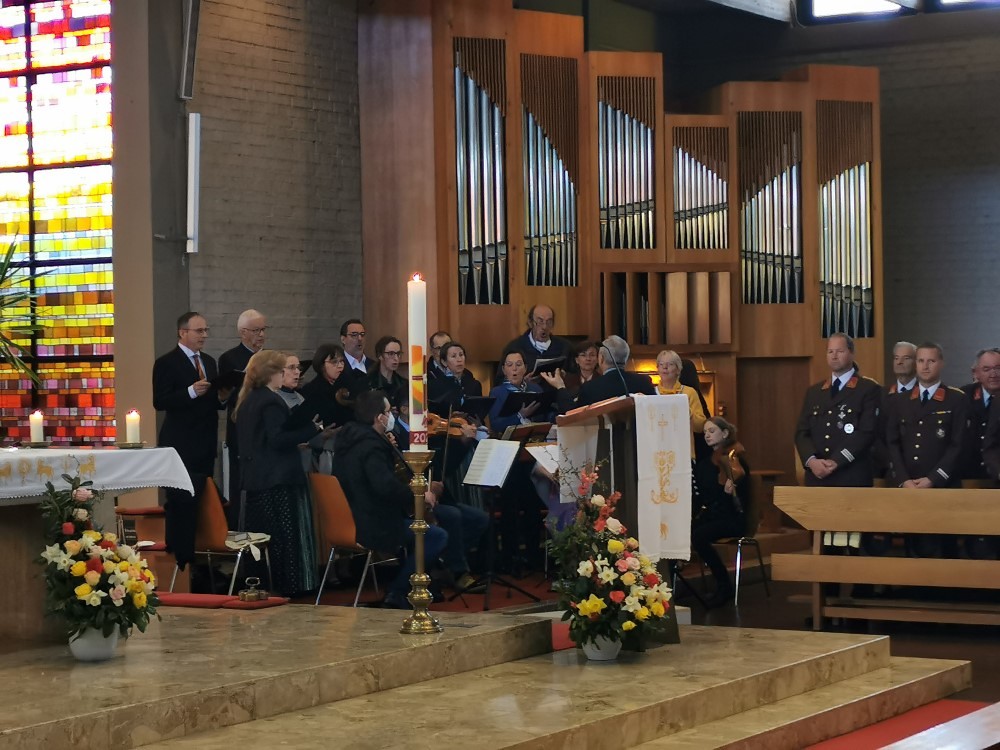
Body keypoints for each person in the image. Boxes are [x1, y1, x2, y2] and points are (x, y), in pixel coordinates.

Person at [332, 390, 449, 609]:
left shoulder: (350, 439)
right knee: (435, 536)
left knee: (426, 528)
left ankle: (424, 586)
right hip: (372, 522)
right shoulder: (370, 446)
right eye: (389, 412)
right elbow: (384, 486)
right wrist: (418, 494)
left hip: (352, 517)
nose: (391, 416)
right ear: (380, 418)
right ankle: (398, 591)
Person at [234, 350, 327, 596]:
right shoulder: (271, 401)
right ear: (272, 373)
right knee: (283, 537)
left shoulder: (249, 400)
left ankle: (259, 584)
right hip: (277, 479)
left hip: (256, 479)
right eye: (282, 370)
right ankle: (287, 586)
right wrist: (311, 429)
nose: (285, 374)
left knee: (260, 538)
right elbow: (278, 439)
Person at [152, 312, 230, 570]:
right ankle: (182, 561)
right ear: (182, 332)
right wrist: (190, 391)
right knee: (182, 503)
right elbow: (160, 401)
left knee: (203, 502)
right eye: (199, 331)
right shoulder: (167, 362)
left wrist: (222, 397)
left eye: (206, 330)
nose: (204, 336)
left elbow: (213, 403)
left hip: (204, 442)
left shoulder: (208, 361)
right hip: (180, 443)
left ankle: (205, 563)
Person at [886, 342, 968, 557]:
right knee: (913, 551)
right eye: (921, 360)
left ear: (941, 363)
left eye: (931, 361)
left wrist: (933, 479)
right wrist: (903, 480)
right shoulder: (900, 400)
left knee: (944, 552)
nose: (925, 366)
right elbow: (892, 442)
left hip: (942, 486)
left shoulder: (956, 399)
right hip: (909, 486)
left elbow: (958, 445)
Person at [691, 417, 749, 608]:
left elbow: (742, 497)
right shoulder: (704, 464)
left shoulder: (735, 460)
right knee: (683, 531)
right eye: (705, 432)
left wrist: (730, 491)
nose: (707, 435)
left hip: (733, 518)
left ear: (724, 433)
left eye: (712, 431)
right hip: (712, 515)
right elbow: (702, 496)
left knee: (698, 536)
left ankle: (724, 585)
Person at [218, 309, 268, 505]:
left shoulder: (271, 358)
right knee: (241, 483)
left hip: (267, 427)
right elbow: (228, 395)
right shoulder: (229, 358)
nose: (261, 334)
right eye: (256, 330)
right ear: (243, 332)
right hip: (242, 427)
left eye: (263, 329)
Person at [571, 335, 655, 408]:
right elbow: (656, 408)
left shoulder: (589, 388)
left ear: (601, 359)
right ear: (626, 358)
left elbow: (579, 417)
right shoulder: (644, 381)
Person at [500, 304, 572, 384]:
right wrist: (522, 382)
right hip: (527, 391)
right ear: (530, 323)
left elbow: (575, 378)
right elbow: (500, 381)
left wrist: (565, 376)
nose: (544, 327)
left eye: (549, 322)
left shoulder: (565, 347)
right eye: (540, 322)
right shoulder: (515, 347)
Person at [656, 349, 707, 453]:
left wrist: (688, 413)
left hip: (683, 450)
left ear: (678, 370)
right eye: (661, 364)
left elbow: (700, 426)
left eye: (670, 364)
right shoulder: (651, 393)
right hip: (658, 450)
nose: (665, 367)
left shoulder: (689, 392)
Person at [488, 348, 546, 434]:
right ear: (504, 370)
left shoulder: (536, 389)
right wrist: (520, 415)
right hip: (508, 439)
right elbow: (495, 425)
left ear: (525, 368)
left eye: (518, 364)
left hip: (536, 436)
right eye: (509, 365)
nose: (514, 368)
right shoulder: (497, 392)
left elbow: (544, 417)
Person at [369, 335, 409, 448]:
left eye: (398, 354)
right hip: (376, 431)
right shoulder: (368, 382)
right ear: (380, 356)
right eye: (391, 354)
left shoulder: (403, 383)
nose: (396, 358)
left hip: (399, 430)